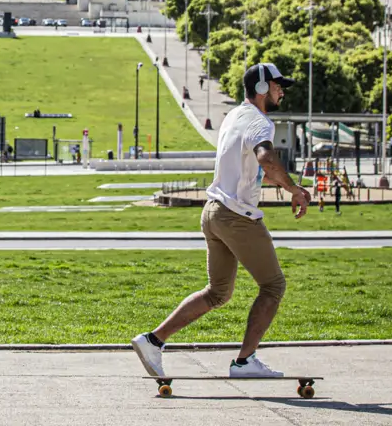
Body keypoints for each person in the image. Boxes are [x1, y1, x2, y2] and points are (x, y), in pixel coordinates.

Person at [132, 63, 311, 379]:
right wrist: (295, 188)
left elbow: (252, 169)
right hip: (236, 218)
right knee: (273, 286)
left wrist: (284, 185)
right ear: (260, 88)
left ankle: (152, 340)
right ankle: (244, 362)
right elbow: (266, 158)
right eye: (277, 85)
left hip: (213, 212)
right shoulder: (260, 123)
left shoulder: (233, 117)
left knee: (217, 292)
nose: (282, 90)